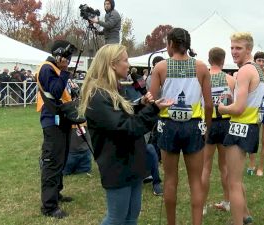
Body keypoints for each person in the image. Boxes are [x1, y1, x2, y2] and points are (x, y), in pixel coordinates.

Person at [78, 44, 172, 225]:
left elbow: (121, 114)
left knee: (131, 215)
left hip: (131, 160)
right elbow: (125, 127)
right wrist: (153, 109)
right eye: (125, 60)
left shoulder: (113, 89)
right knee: (116, 217)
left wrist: (141, 105)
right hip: (116, 164)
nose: (129, 65)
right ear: (112, 64)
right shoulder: (98, 95)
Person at [150, 27, 213, 225]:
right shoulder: (202, 67)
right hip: (193, 125)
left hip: (168, 125)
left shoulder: (160, 68)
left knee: (170, 179)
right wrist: (207, 128)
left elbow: (152, 100)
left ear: (170, 44)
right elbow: (209, 105)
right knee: (195, 180)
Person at [218, 32, 264, 225]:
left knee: (233, 182)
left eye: (239, 48)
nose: (234, 51)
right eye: (232, 47)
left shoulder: (245, 70)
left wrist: (222, 108)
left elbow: (238, 108)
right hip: (250, 125)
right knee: (235, 178)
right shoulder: (258, 69)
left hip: (241, 126)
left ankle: (238, 221)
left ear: (249, 49)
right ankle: (245, 215)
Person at [36, 40, 77, 218]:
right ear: (58, 54)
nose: (68, 60)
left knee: (60, 159)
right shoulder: (47, 68)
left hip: (62, 119)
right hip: (52, 120)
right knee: (52, 161)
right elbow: (56, 90)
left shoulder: (55, 69)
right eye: (66, 56)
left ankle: (56, 193)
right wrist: (65, 73)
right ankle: (49, 206)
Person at [201, 47, 235, 215]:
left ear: (209, 60)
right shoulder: (230, 79)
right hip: (225, 123)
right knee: (224, 166)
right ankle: (227, 201)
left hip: (208, 123)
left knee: (205, 166)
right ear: (223, 60)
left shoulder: (203, 77)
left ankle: (203, 206)